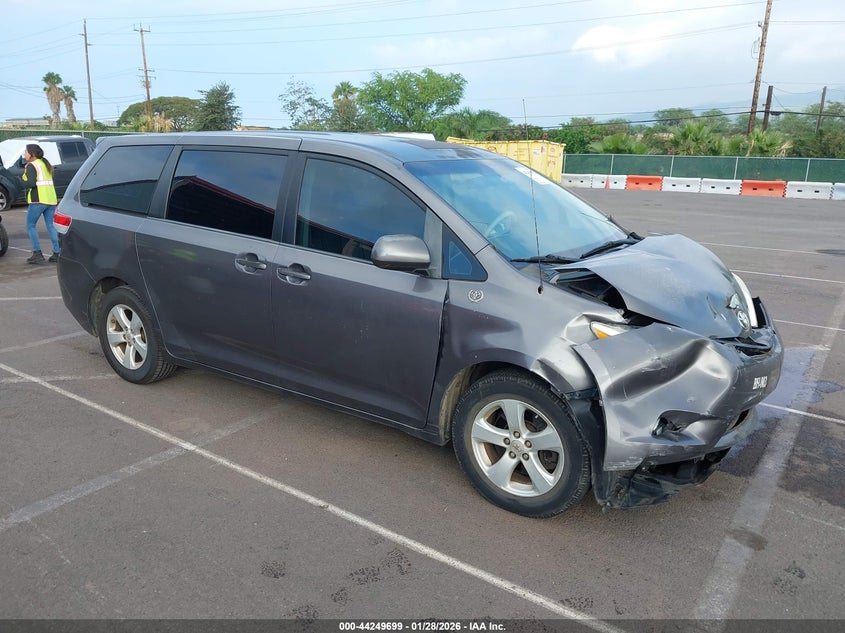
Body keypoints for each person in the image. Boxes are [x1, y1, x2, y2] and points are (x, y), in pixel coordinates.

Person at [21, 143, 60, 264]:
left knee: (30, 225)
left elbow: (31, 183)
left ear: (31, 154)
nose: (24, 154)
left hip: (38, 200)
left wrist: (21, 180)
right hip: (51, 200)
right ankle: (57, 253)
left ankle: (37, 253)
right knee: (51, 226)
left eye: (25, 152)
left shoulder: (32, 165)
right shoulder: (45, 164)